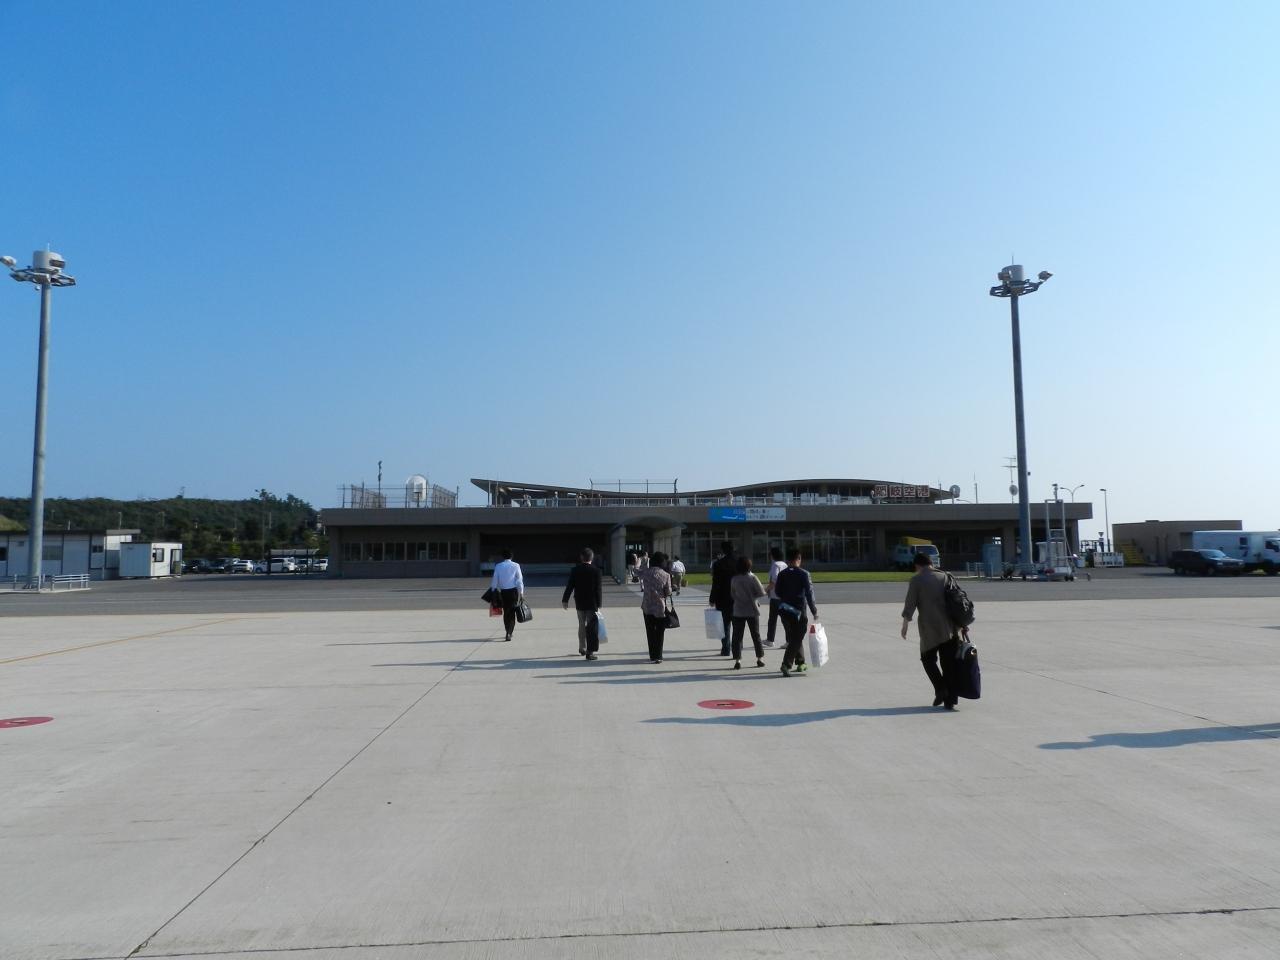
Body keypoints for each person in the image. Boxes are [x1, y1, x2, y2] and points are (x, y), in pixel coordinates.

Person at [900, 552, 959, 709]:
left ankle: (940, 688)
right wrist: (962, 624)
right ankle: (950, 700)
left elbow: (910, 603)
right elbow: (958, 600)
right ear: (931, 563)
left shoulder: (917, 580)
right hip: (950, 627)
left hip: (929, 628)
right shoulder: (946, 576)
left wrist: (905, 624)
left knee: (927, 659)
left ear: (917, 566)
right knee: (949, 664)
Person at [774, 548, 817, 675]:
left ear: (788, 559)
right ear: (799, 558)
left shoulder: (782, 574)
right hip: (798, 611)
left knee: (794, 636)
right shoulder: (804, 574)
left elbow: (777, 592)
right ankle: (786, 664)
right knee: (797, 638)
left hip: (784, 610)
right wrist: (814, 610)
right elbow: (809, 593)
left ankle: (801, 662)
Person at [562, 547, 604, 660]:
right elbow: (598, 589)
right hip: (592, 603)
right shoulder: (596, 571)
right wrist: (599, 604)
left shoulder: (575, 570)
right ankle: (590, 652)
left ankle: (582, 647)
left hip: (579, 602)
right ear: (592, 558)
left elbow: (570, 586)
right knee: (591, 627)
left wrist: (565, 600)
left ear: (581, 557)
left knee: (581, 624)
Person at [729, 555, 767, 669]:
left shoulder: (734, 579)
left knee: (737, 636)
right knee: (756, 635)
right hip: (752, 609)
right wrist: (753, 596)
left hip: (738, 610)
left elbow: (732, 594)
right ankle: (759, 658)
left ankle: (738, 660)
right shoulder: (753, 578)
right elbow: (761, 592)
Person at [638, 550, 673, 662]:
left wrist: (638, 560)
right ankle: (658, 656)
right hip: (660, 608)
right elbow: (668, 592)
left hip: (647, 606)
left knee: (650, 631)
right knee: (659, 632)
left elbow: (635, 571)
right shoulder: (666, 575)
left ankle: (652, 655)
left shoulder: (646, 573)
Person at [708, 541, 737, 656]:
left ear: (723, 550)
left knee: (724, 625)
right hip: (738, 598)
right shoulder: (739, 562)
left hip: (722, 598)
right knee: (738, 625)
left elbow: (715, 583)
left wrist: (712, 598)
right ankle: (737, 648)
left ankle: (726, 648)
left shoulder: (718, 564)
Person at [489, 548, 525, 642]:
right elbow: (519, 580)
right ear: (511, 556)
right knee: (512, 612)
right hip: (513, 592)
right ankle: (509, 632)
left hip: (503, 592)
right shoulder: (516, 565)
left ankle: (507, 631)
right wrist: (521, 593)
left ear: (503, 557)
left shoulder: (498, 566)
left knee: (506, 612)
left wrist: (493, 591)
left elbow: (495, 580)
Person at [764, 546, 786, 648]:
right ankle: (788, 640)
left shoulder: (775, 565)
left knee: (772, 620)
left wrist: (765, 590)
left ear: (772, 555)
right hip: (784, 596)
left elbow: (774, 580)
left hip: (775, 597)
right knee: (785, 620)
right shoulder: (784, 564)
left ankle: (770, 639)